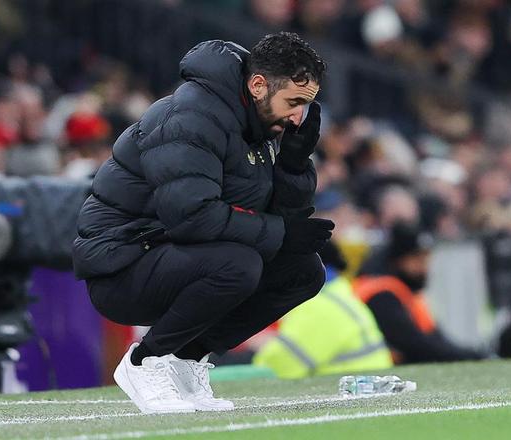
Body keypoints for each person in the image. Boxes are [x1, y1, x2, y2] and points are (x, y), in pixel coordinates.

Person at [73, 32, 334, 414]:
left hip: (175, 253)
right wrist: (280, 233)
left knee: (303, 271)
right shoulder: (190, 117)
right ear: (258, 85)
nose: (298, 116)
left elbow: (268, 217)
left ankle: (185, 359)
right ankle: (145, 361)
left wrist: (294, 166)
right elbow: (191, 216)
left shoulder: (257, 125)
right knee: (240, 264)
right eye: (294, 102)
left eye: (305, 105)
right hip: (122, 265)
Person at [252, 241, 393, 378]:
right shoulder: (334, 293)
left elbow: (275, 369)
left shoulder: (319, 306)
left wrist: (256, 345)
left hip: (349, 388)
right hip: (359, 385)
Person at [354, 222, 486, 364]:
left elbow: (434, 337)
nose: (424, 266)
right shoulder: (380, 293)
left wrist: (470, 353)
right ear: (399, 259)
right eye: (417, 258)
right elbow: (415, 345)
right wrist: (472, 356)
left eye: (426, 257)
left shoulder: (405, 289)